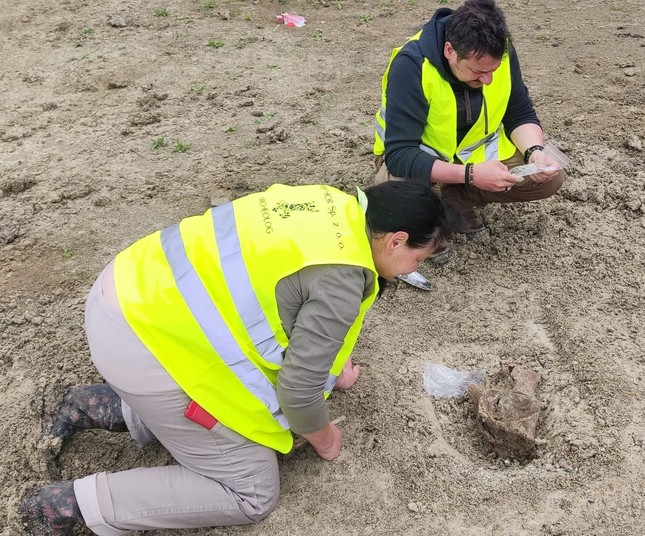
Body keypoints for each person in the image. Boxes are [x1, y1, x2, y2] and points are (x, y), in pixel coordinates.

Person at [19, 181, 448, 535]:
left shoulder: (331, 205)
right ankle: (65, 505)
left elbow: (282, 297)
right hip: (145, 345)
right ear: (396, 240)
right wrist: (325, 438)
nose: (411, 269)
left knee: (223, 397)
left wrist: (331, 369)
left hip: (131, 290)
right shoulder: (343, 278)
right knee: (251, 491)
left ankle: (99, 405)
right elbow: (298, 394)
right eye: (417, 258)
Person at [373, 0, 565, 262]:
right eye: (478, 71)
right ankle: (429, 222)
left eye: (492, 70)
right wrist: (471, 175)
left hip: (471, 158)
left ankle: (454, 204)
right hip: (418, 161)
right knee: (392, 190)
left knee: (550, 178)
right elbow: (401, 154)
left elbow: (518, 111)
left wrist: (535, 153)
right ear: (450, 50)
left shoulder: (497, 52)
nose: (487, 80)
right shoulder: (411, 65)